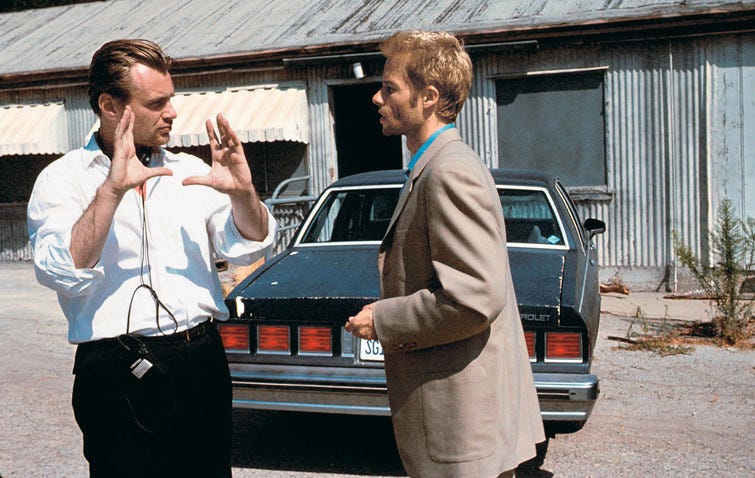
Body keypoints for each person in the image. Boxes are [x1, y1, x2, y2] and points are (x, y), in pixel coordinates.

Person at [27, 39, 276, 477]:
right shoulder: (62, 180)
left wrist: (243, 193)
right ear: (110, 106)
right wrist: (112, 190)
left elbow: (250, 244)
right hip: (115, 370)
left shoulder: (190, 171)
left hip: (200, 360)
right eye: (156, 103)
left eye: (170, 99)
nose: (172, 113)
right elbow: (61, 270)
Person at [345, 31, 545, 478]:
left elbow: (474, 297)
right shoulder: (438, 165)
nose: (377, 98)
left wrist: (383, 319)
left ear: (428, 98)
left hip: (463, 433)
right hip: (461, 429)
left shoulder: (448, 172)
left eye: (390, 88)